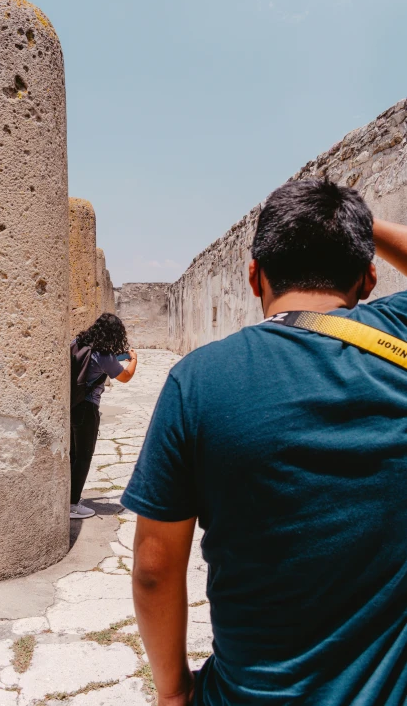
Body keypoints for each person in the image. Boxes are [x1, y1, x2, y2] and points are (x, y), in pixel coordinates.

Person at [122, 178, 407, 705]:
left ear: (254, 277)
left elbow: (155, 570)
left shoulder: (199, 381)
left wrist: (173, 693)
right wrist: (358, 223)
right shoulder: (399, 335)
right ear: (369, 278)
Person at [70, 313, 137, 520]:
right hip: (88, 408)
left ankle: (67, 497)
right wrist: (134, 359)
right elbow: (125, 377)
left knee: (73, 454)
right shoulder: (104, 355)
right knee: (84, 456)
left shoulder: (79, 343)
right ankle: (72, 505)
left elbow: (97, 363)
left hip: (72, 404)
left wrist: (118, 358)